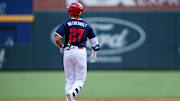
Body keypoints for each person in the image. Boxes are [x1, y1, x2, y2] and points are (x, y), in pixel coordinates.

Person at [54, 2, 100, 101]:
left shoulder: (66, 23)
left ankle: (69, 98)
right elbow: (95, 44)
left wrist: (61, 46)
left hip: (68, 51)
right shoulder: (87, 25)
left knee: (69, 79)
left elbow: (57, 39)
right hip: (80, 52)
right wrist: (94, 53)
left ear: (70, 11)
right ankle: (72, 93)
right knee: (80, 79)